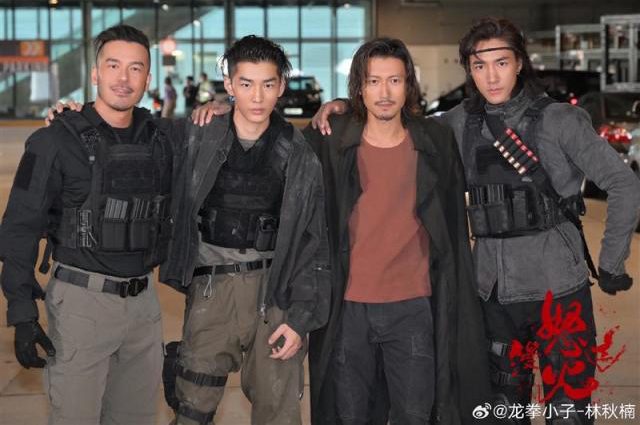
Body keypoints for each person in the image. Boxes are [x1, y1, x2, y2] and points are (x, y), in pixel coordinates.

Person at [312, 18, 640, 425]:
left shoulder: (560, 121)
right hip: (493, 298)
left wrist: (611, 263)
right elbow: (393, 121)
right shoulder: (456, 124)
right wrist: (344, 107)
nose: (491, 76)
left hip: (558, 292)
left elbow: (624, 183)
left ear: (519, 63)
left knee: (568, 413)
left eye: (501, 63)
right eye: (480, 65)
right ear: (469, 69)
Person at [303, 37, 490, 425]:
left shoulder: (435, 141)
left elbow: (452, 227)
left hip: (412, 308)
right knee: (350, 416)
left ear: (409, 85)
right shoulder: (332, 140)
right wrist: (224, 111)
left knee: (415, 414)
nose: (384, 93)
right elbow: (272, 144)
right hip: (348, 309)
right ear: (358, 87)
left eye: (394, 81)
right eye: (373, 81)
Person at [0, 24, 177, 425]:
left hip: (144, 307)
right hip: (81, 307)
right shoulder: (53, 141)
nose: (123, 78)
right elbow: (19, 228)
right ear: (95, 73)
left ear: (148, 78)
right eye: (113, 65)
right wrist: (22, 311)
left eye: (135, 68)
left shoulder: (161, 139)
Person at [159, 35, 331, 425]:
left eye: (268, 84)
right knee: (192, 408)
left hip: (276, 295)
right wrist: (75, 112)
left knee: (279, 412)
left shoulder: (299, 152)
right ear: (230, 84)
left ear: (281, 86)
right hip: (211, 291)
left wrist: (300, 318)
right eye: (247, 84)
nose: (257, 96)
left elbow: (313, 243)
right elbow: (134, 129)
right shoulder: (197, 136)